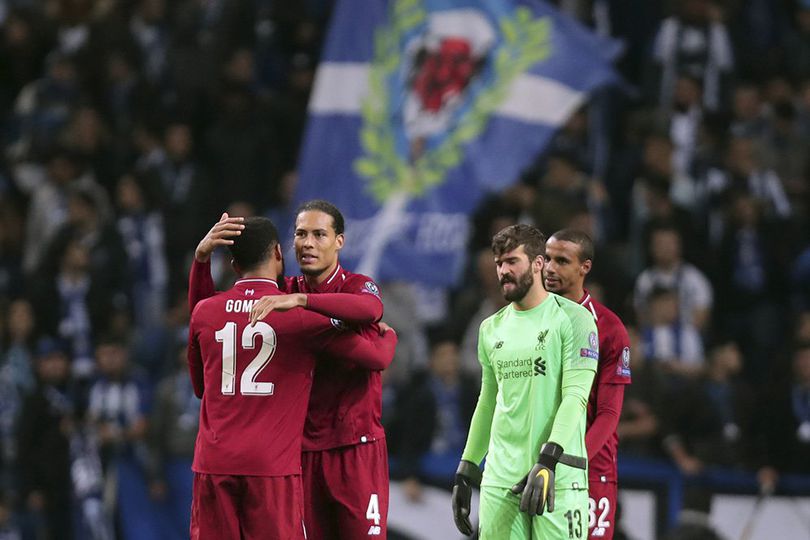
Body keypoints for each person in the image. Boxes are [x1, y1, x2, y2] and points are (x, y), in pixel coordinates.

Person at [190, 201, 394, 539]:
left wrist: (303, 301)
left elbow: (371, 308)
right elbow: (210, 316)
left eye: (319, 234)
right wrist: (201, 262)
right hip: (303, 451)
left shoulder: (350, 287)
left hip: (354, 446)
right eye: (300, 234)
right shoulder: (283, 295)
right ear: (284, 247)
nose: (308, 243)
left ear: (339, 241)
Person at [452, 224, 598, 539]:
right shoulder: (490, 329)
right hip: (500, 481)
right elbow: (488, 402)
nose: (503, 271)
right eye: (498, 263)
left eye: (511, 262)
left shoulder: (575, 320)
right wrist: (467, 467)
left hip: (557, 475)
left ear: (537, 263)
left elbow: (576, 397)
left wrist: (548, 460)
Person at [543, 229, 632, 540]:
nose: (550, 269)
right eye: (548, 259)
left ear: (585, 267)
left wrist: (569, 462)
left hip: (588, 469)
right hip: (537, 466)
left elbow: (609, 413)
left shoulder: (610, 328)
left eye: (562, 261)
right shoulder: (529, 320)